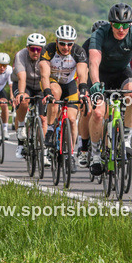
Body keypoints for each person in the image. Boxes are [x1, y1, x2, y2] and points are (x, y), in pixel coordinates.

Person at [87, 3, 132, 175]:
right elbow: (94, 62)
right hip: (102, 74)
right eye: (117, 25)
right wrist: (96, 83)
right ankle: (95, 152)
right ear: (110, 23)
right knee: (98, 113)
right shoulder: (100, 34)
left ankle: (127, 139)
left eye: (125, 25)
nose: (121, 29)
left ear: (130, 24)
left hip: (123, 72)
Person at [40, 24, 87, 165]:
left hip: (70, 83)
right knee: (54, 94)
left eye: (69, 44)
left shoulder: (78, 52)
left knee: (72, 120)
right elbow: (44, 74)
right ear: (56, 41)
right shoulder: (48, 50)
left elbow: (83, 73)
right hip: (53, 82)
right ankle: (49, 129)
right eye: (62, 43)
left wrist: (83, 90)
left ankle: (71, 153)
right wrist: (47, 92)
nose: (66, 47)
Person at [76, 19, 109, 167]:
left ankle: (108, 145)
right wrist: (82, 89)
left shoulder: (111, 43)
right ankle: (83, 148)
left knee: (106, 113)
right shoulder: (88, 45)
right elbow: (83, 68)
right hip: (90, 80)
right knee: (87, 110)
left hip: (106, 79)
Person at [11, 33, 48, 162]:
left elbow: (46, 78)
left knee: (43, 119)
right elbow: (22, 77)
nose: (36, 52)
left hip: (40, 86)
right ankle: (21, 128)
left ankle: (42, 149)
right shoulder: (20, 55)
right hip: (24, 84)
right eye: (33, 49)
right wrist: (21, 93)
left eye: (39, 49)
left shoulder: (47, 57)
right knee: (24, 100)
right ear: (27, 48)